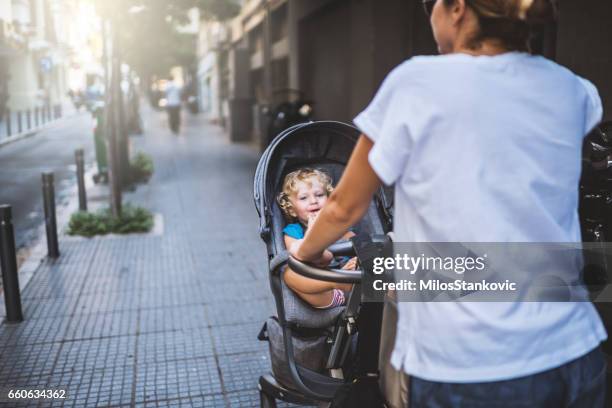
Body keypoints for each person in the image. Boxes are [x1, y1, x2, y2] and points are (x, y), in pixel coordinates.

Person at [288, 0, 607, 406]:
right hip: (574, 352)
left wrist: (307, 253)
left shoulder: (416, 84)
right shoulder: (571, 88)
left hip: (470, 367)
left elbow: (343, 207)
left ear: (457, 8)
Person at [278, 168, 357, 308]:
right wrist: (312, 233)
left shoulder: (339, 227)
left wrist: (355, 261)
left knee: (371, 256)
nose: (313, 201)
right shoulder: (293, 232)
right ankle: (337, 282)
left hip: (352, 283)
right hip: (323, 290)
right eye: (304, 198)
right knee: (289, 275)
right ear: (291, 210)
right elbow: (300, 254)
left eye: (319, 195)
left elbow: (359, 245)